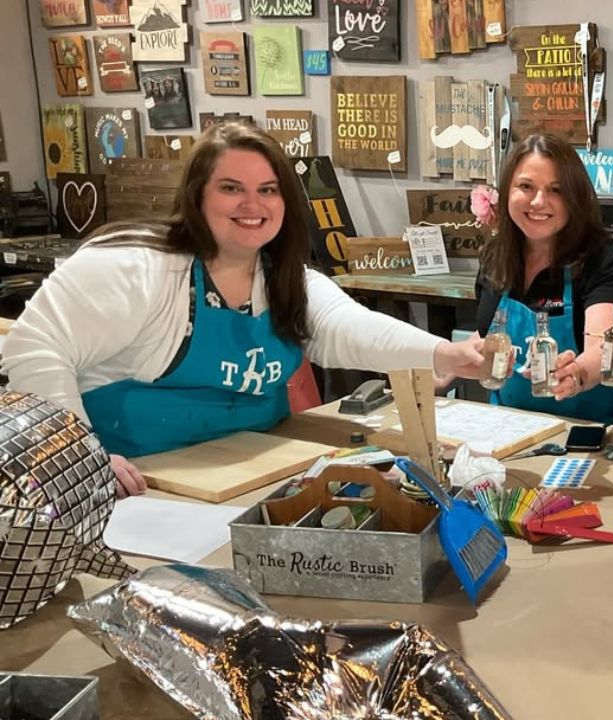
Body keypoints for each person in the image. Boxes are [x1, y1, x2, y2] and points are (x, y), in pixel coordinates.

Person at [3, 121, 486, 498]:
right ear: (197, 195)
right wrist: (79, 461)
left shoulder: (284, 278)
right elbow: (34, 348)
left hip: (250, 476)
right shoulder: (135, 267)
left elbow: (348, 329)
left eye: (268, 189)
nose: (252, 204)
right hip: (141, 489)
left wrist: (445, 355)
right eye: (231, 188)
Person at [471, 133, 613, 426]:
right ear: (507, 190)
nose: (538, 201)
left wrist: (576, 373)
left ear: (575, 198)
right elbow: (484, 336)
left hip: (603, 433)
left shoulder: (604, 261)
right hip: (513, 426)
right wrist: (441, 370)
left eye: (555, 190)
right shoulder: (496, 257)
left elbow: (603, 343)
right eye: (525, 186)